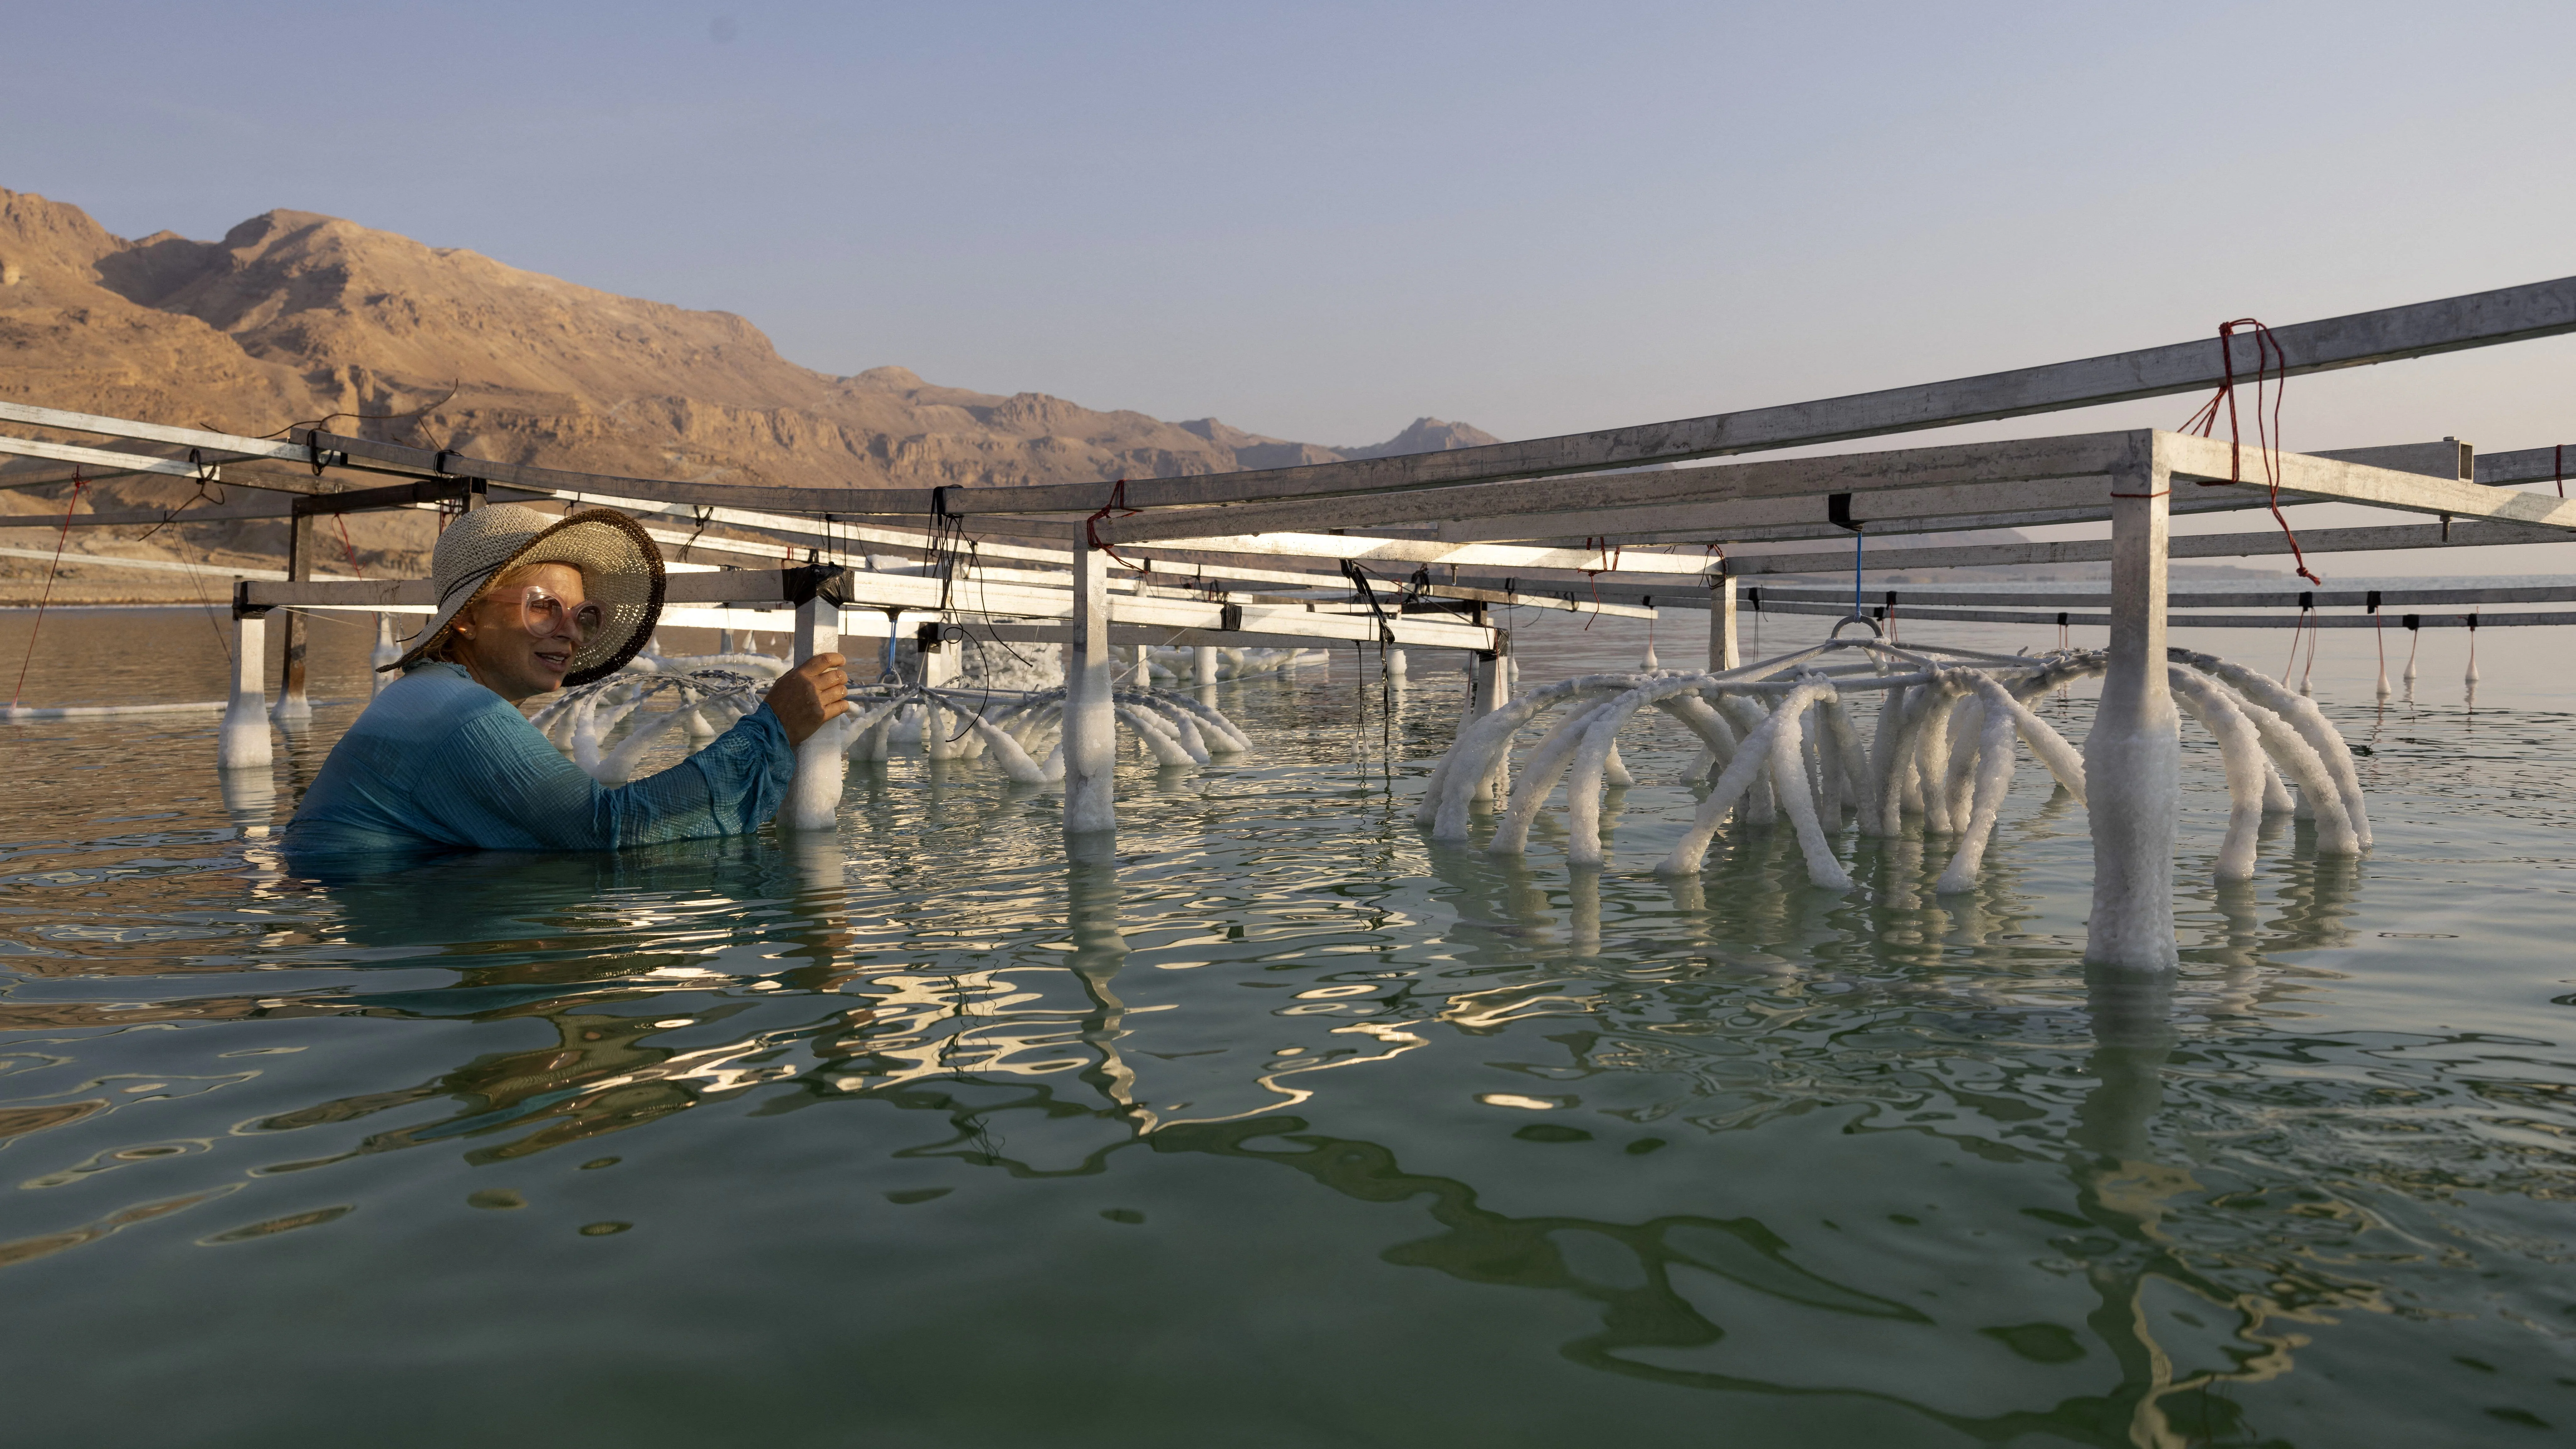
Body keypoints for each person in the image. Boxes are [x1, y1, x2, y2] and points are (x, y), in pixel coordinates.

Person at [283, 505, 847, 858]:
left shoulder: (430, 695)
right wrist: (773, 730)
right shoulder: (454, 714)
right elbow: (609, 830)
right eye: (542, 607)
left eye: (583, 617)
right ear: (468, 617)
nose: (570, 634)